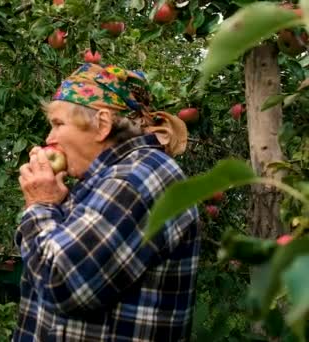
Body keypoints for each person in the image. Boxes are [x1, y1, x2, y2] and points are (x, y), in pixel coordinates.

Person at [14, 63, 200, 341]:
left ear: (101, 125)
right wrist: (59, 204)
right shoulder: (108, 178)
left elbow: (62, 284)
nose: (49, 139)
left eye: (58, 124)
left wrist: (41, 205)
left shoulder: (136, 179)